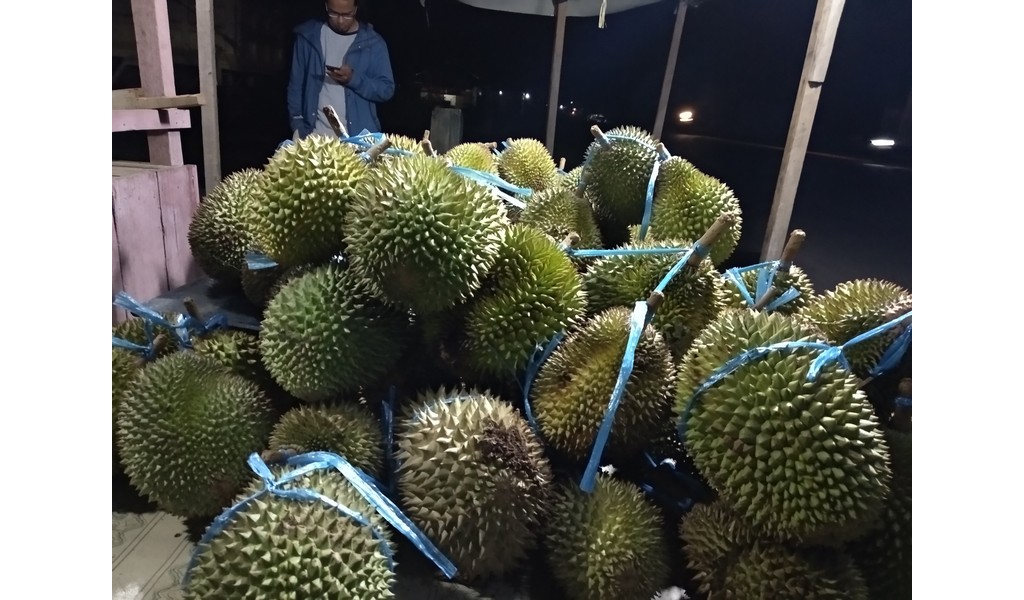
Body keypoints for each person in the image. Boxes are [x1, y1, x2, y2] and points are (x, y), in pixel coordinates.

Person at [286, 0, 395, 138]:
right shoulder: (308, 37)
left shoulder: (373, 43)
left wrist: (353, 79)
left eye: (347, 15)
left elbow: (386, 89)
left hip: (358, 139)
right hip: (316, 137)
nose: (340, 21)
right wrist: (297, 126)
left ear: (355, 9)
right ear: (326, 6)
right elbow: (295, 86)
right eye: (334, 13)